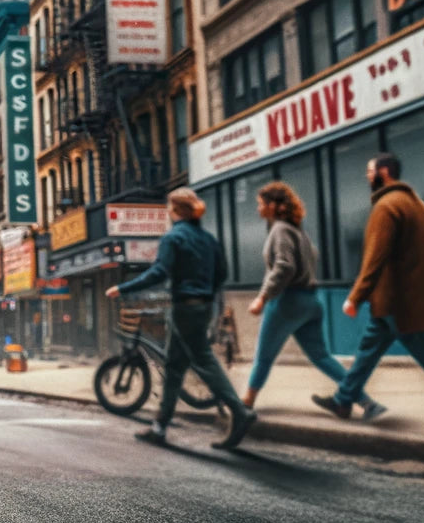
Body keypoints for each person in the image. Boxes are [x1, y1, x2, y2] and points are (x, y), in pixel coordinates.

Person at [314, 153, 424, 430]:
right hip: (404, 298)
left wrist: (355, 296)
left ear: (384, 172)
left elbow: (375, 257)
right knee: (368, 350)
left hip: (400, 301)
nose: (367, 177)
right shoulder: (418, 205)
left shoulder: (386, 206)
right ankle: (343, 399)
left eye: (370, 172)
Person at [107, 187, 257, 451]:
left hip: (185, 308)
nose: (167, 212)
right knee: (174, 366)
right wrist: (206, 295)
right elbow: (222, 273)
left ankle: (239, 411)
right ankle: (159, 427)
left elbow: (159, 273)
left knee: (203, 360)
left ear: (176, 211)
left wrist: (123, 288)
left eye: (169, 208)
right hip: (202, 307)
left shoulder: (173, 238)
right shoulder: (208, 238)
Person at [240, 182, 384, 419]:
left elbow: (284, 266)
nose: (258, 209)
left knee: (264, 356)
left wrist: (262, 298)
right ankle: (367, 402)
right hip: (311, 302)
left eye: (261, 204)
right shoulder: (300, 233)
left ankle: (246, 402)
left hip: (287, 302)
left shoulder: (280, 230)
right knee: (322, 357)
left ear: (274, 206)